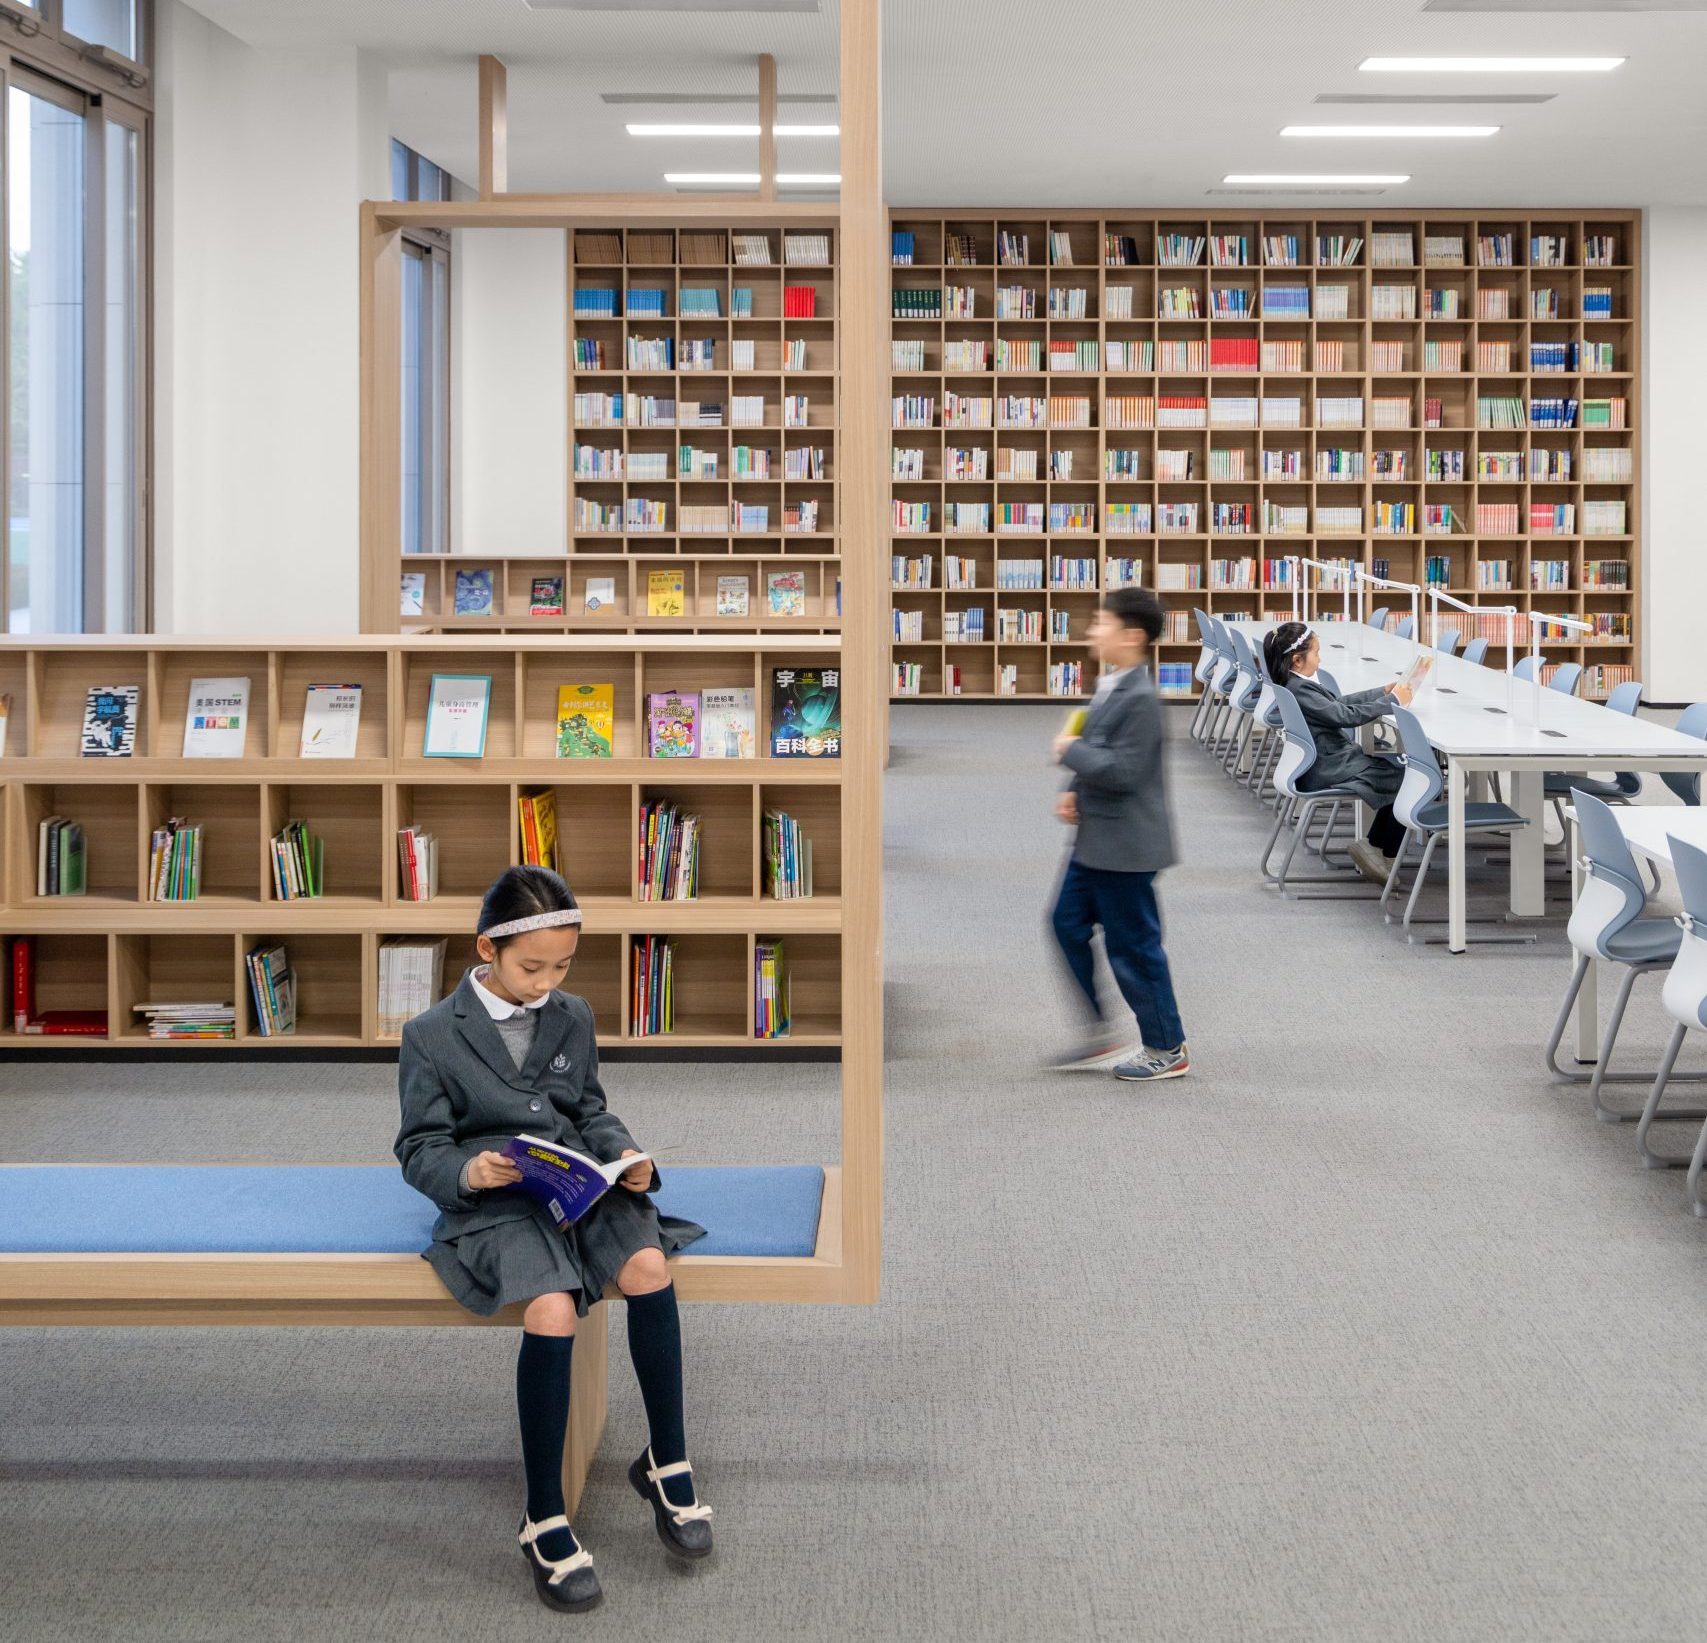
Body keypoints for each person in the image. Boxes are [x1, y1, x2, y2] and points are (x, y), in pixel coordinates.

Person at [395, 866, 712, 1614]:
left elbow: (589, 1109)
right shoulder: (430, 1035)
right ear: (487, 949)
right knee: (551, 1308)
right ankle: (543, 1514)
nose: (546, 983)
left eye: (561, 967)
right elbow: (419, 1146)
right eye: (531, 967)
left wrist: (625, 1155)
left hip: (577, 1184)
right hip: (497, 1201)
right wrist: (469, 1169)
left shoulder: (572, 1014)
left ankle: (666, 1459)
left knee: (647, 1265)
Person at [1050, 586, 1188, 1082]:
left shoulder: (1142, 699)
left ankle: (1166, 1047)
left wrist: (1068, 750)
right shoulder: (1112, 684)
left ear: (1131, 636)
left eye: (1101, 623)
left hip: (1126, 846)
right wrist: (1074, 786)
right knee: (1065, 923)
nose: (1091, 632)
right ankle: (1102, 1035)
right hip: (1096, 838)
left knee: (1133, 948)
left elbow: (1125, 770)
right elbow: (1100, 745)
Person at [1262, 621, 1412, 857]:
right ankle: (1383, 854)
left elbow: (1337, 704)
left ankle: (1374, 847)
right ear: (1297, 660)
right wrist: (1393, 701)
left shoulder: (1294, 684)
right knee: (1407, 781)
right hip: (1330, 767)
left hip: (1328, 761)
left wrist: (1383, 692)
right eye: (1316, 653)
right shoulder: (1301, 689)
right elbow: (1345, 716)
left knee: (1397, 774)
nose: (1320, 659)